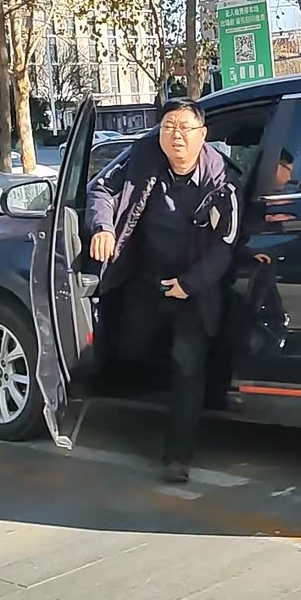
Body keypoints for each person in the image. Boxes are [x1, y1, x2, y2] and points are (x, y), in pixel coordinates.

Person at [86, 98, 241, 483]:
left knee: (187, 365)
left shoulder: (222, 179)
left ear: (203, 135)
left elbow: (225, 244)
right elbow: (101, 189)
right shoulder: (142, 157)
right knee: (128, 347)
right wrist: (103, 228)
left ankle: (178, 456)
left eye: (185, 128)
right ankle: (123, 410)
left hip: (193, 288)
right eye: (169, 127)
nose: (176, 136)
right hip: (145, 279)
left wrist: (189, 284)